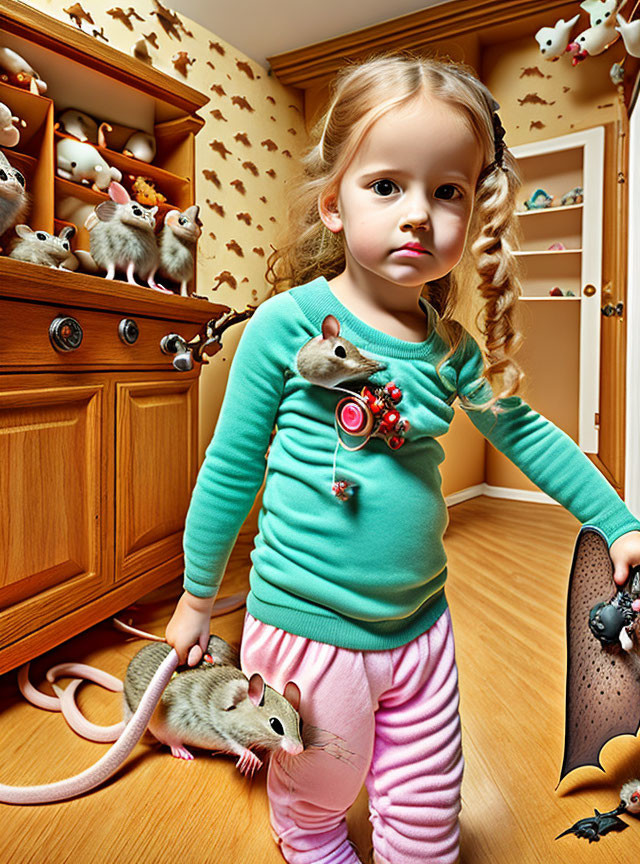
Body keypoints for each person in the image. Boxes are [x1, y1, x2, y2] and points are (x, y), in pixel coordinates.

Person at [165, 52, 640, 864]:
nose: (418, 213)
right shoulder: (285, 326)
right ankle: (309, 840)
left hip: (422, 631)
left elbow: (526, 433)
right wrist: (196, 599)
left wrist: (616, 520)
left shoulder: (448, 348)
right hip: (307, 632)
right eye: (387, 185)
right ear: (336, 205)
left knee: (428, 812)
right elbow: (230, 469)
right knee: (319, 791)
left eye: (446, 191)